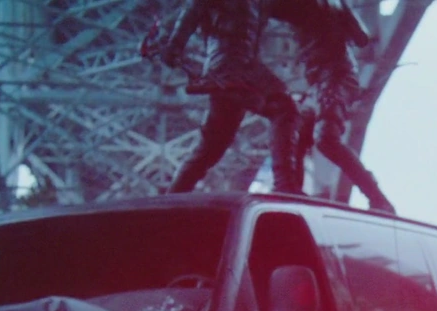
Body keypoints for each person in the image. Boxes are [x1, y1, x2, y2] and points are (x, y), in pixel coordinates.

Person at [160, 0, 303, 194]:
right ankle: (285, 185)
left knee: (212, 146)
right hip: (232, 67)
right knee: (284, 109)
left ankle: (174, 195)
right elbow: (193, 9)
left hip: (235, 69)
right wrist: (175, 44)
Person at [268, 0, 397, 213]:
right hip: (319, 82)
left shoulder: (320, 5)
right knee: (298, 135)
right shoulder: (330, 5)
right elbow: (361, 38)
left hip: (336, 77)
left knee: (326, 140)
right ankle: (291, 193)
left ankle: (377, 198)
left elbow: (361, 38)